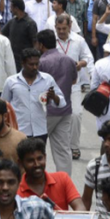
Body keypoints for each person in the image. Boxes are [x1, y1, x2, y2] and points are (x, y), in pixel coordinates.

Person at [52, 14, 94, 161]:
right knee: (56, 117)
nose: (61, 31)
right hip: (55, 85)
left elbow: (88, 58)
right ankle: (60, 145)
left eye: (64, 28)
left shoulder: (79, 40)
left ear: (70, 26)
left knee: (76, 114)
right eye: (58, 29)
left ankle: (74, 146)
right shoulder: (52, 41)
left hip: (74, 84)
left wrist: (80, 64)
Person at [37, 29, 78, 175]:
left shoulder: (41, 62)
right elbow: (74, 80)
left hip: (46, 112)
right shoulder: (68, 60)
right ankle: (65, 184)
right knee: (63, 150)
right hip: (65, 110)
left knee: (36, 149)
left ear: (41, 45)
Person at [1, 48, 65, 142]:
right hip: (18, 130)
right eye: (31, 64)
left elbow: (62, 102)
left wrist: (54, 97)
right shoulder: (11, 81)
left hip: (40, 130)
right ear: (23, 63)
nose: (35, 67)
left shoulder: (47, 79)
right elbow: (4, 104)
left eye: (37, 64)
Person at [16, 137, 85, 215]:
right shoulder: (16, 192)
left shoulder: (62, 178)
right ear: (20, 163)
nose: (37, 164)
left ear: (45, 157)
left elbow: (81, 209)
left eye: (39, 158)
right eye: (30, 161)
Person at [1, 0, 39, 71]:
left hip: (25, 61)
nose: (10, 9)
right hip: (12, 59)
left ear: (16, 8)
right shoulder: (11, 22)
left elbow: (35, 43)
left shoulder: (30, 23)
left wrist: (32, 58)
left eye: (11, 6)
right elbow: (1, 34)